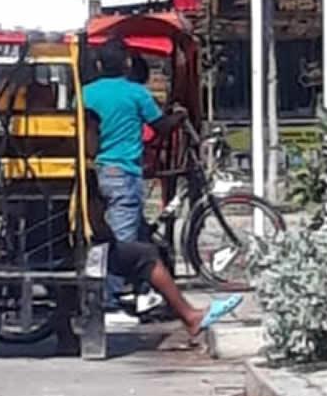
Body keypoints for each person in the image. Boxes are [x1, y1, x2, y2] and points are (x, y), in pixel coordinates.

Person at [84, 109, 241, 337]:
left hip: (60, 245)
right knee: (145, 254)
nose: (100, 140)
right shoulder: (83, 169)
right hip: (84, 248)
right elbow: (95, 221)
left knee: (139, 235)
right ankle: (188, 316)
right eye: (96, 133)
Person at [82, 38, 186, 310]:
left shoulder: (84, 92)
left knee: (138, 234)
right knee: (123, 242)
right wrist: (178, 117)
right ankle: (109, 299)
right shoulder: (136, 93)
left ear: (99, 64)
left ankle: (144, 290)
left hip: (93, 173)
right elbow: (160, 125)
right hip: (123, 172)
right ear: (127, 64)